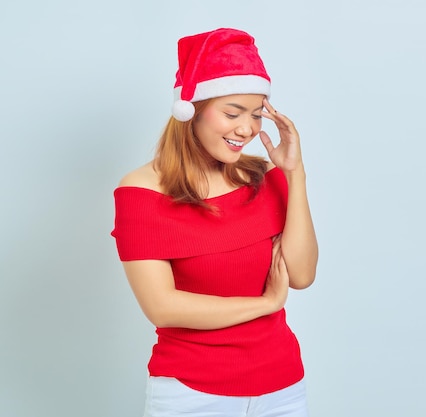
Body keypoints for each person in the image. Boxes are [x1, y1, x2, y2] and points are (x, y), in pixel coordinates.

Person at [111, 28, 318, 417]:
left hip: (283, 389)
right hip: (193, 394)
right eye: (232, 112)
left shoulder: (267, 176)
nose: (247, 129)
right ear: (191, 110)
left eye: (256, 115)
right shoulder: (141, 192)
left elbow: (302, 274)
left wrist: (296, 173)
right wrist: (265, 304)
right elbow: (163, 307)